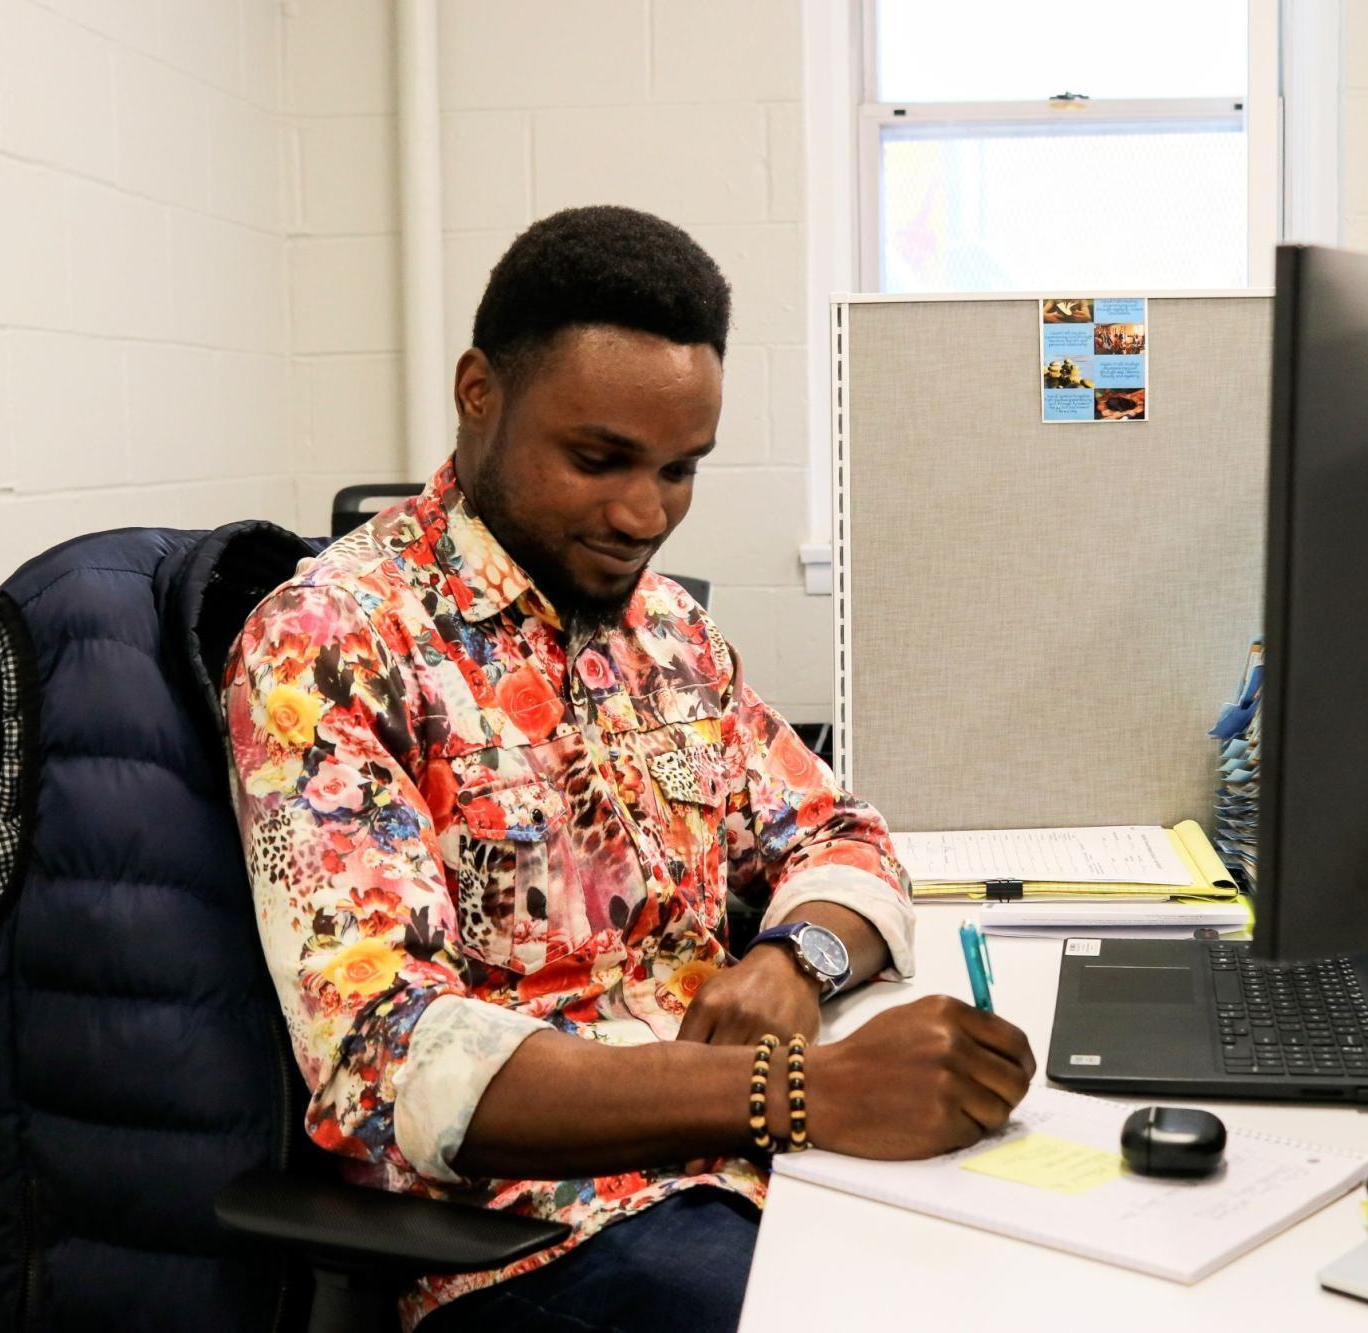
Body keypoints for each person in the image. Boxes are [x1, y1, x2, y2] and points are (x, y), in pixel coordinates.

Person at [223, 205, 1034, 1332]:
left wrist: (794, 960)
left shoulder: (666, 635)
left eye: (679, 470)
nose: (643, 513)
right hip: (531, 1240)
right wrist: (801, 1090)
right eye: (597, 459)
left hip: (754, 1162)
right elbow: (390, 1060)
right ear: (478, 393)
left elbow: (840, 834)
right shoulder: (330, 641)